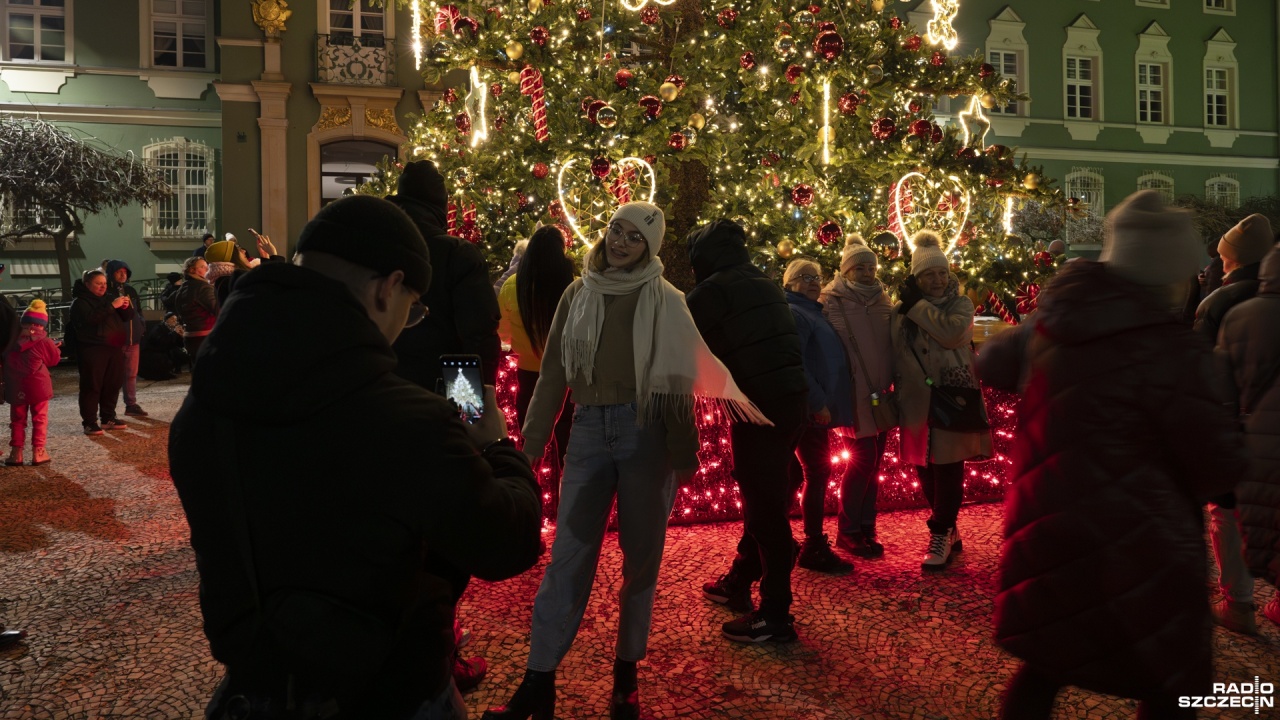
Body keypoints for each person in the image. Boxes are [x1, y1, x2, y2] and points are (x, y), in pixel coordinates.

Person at [170, 195, 543, 720]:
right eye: (413, 309)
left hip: (253, 690)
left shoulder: (206, 402)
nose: (406, 324)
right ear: (388, 287)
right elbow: (508, 542)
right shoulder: (407, 421)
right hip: (391, 689)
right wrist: (497, 447)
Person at [484, 203, 765, 720]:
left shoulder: (666, 299)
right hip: (588, 429)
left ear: (649, 247)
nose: (620, 241)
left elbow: (677, 380)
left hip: (646, 433)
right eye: (617, 229)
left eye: (635, 237)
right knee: (568, 557)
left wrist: (683, 450)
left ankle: (626, 674)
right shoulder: (578, 293)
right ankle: (538, 680)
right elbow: (553, 374)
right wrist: (531, 442)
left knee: (641, 561)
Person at [975, 189, 1249, 720]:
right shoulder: (1173, 349)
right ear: (1169, 274)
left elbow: (991, 361)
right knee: (1170, 681)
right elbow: (1215, 465)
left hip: (1050, 521)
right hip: (1141, 544)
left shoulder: (1054, 320)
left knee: (1047, 660)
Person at [687, 219, 809, 642]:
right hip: (792, 400)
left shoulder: (711, 291)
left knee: (763, 508)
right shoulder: (763, 281)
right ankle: (741, 578)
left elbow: (678, 343)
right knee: (769, 495)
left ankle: (774, 614)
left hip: (757, 407)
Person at [1192, 213, 1275, 635]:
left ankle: (1238, 603)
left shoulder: (1220, 303)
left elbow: (1204, 374)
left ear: (1232, 258)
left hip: (1237, 423)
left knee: (1227, 513)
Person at [892, 231, 991, 572]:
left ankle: (940, 532)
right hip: (915, 403)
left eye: (942, 273)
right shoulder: (900, 311)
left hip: (952, 398)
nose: (937, 280)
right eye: (929, 274)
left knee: (948, 468)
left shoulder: (960, 305)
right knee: (925, 468)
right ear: (916, 278)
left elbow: (950, 334)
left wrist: (916, 307)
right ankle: (948, 527)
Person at [387, 160, 501, 392]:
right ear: (441, 205)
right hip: (438, 393)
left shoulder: (375, 247)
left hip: (383, 391)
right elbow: (477, 338)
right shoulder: (458, 254)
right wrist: (467, 405)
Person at [1219, 241, 1280, 630]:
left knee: (1232, 516)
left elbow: (1221, 388)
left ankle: (1238, 603)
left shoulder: (1237, 314)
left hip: (1252, 435)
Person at [821, 235, 894, 558]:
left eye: (871, 268)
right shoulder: (831, 300)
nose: (867, 274)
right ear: (846, 270)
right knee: (863, 461)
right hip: (852, 394)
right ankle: (848, 530)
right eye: (860, 268)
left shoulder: (883, 299)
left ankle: (866, 526)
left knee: (873, 463)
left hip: (881, 395)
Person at [780, 257, 854, 573]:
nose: (813, 282)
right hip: (806, 410)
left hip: (807, 407)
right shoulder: (797, 313)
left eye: (817, 277)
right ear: (789, 283)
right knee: (816, 472)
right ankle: (813, 546)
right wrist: (818, 402)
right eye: (805, 277)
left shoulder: (811, 311)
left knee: (796, 475)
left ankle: (779, 539)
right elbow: (796, 363)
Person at [498, 226, 575, 481]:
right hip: (567, 375)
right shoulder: (574, 287)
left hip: (529, 373)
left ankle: (533, 489)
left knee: (530, 439)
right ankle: (566, 488)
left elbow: (502, 332)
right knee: (568, 440)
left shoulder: (512, 286)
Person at [69, 269, 132, 436]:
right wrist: (112, 307)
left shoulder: (108, 299)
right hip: (93, 349)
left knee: (113, 383)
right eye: (98, 283)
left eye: (104, 283)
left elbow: (127, 317)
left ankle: (108, 417)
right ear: (87, 284)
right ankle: (89, 422)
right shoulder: (80, 303)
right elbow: (90, 320)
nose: (103, 287)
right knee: (92, 385)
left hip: (113, 348)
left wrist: (125, 307)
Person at [4, 299, 60, 466]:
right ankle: (38, 452)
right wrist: (55, 348)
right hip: (38, 386)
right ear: (42, 324)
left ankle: (16, 453)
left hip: (16, 386)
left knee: (17, 420)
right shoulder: (44, 341)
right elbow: (53, 360)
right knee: (39, 418)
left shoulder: (11, 340)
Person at [105, 260, 147, 417]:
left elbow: (138, 311)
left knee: (131, 374)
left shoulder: (130, 290)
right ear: (111, 273)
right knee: (113, 376)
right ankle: (108, 410)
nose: (123, 275)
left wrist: (141, 326)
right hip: (116, 341)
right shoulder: (106, 291)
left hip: (132, 339)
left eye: (125, 272)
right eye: (119, 272)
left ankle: (131, 404)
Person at [174, 256, 216, 366]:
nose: (207, 269)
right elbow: (218, 309)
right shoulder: (202, 287)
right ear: (192, 270)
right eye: (202, 267)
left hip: (190, 336)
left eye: (207, 266)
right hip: (205, 337)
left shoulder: (182, 289)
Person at [139, 313, 188, 380]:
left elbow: (180, 344)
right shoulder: (159, 328)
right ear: (166, 320)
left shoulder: (173, 329)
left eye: (176, 320)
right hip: (154, 353)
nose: (175, 321)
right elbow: (163, 342)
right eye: (172, 319)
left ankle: (171, 370)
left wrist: (182, 336)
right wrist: (174, 333)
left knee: (182, 355)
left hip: (165, 351)